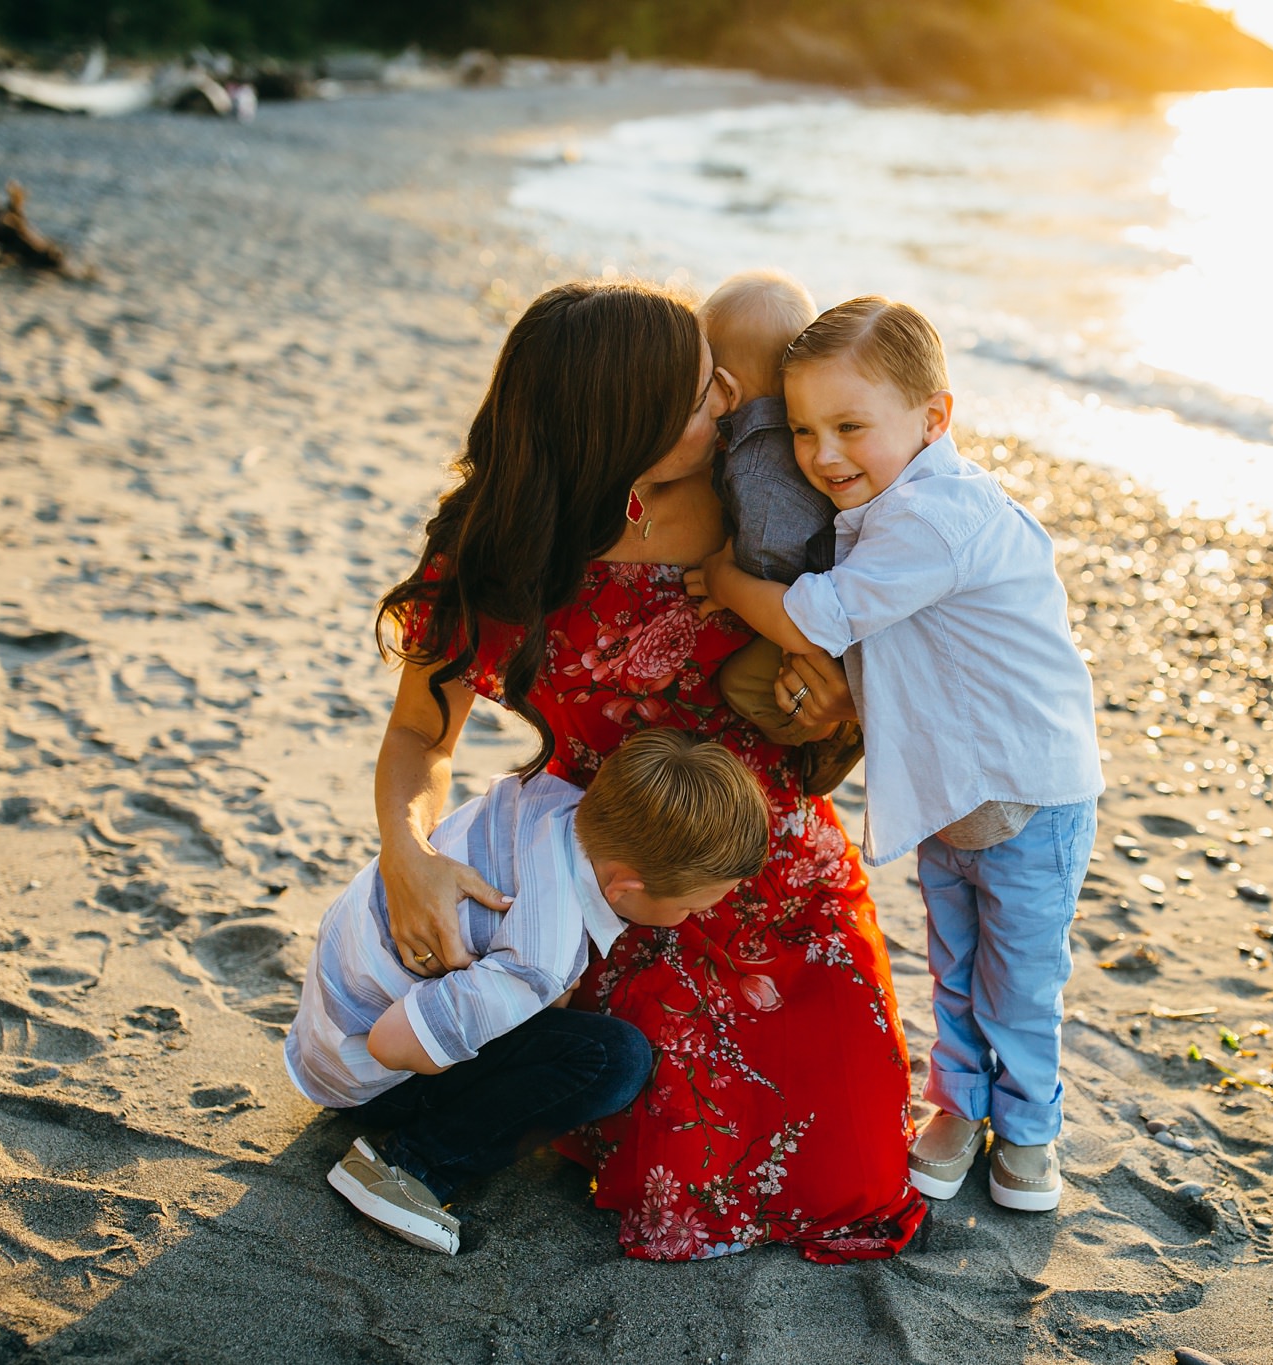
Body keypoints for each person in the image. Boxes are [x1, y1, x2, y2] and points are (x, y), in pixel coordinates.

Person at [370, 278, 927, 1261]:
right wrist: (405, 852)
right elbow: (419, 737)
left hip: (772, 854)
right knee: (646, 1128)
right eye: (701, 391)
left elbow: (908, 641)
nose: (732, 406)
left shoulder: (763, 504)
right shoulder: (499, 548)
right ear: (620, 427)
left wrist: (835, 705)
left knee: (854, 1180)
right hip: (609, 881)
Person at [687, 296, 1104, 1213]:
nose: (822, 454)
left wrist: (723, 579)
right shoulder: (882, 505)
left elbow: (816, 615)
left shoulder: (937, 515)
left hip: (1030, 792)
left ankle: (1031, 1129)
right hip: (948, 789)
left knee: (1023, 976)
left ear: (934, 418)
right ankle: (960, 1108)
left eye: (848, 427)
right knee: (954, 964)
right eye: (800, 430)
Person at [287, 729, 771, 1255]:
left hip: (325, 1019)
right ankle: (406, 1166)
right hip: (363, 1073)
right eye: (692, 908)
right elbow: (392, 1044)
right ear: (626, 889)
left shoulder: (544, 797)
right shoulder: (542, 955)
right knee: (614, 1060)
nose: (690, 920)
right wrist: (501, 1013)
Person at [698, 271, 862, 795]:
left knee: (743, 685)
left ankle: (820, 740)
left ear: (725, 388)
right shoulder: (818, 429)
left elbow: (769, 557)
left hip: (802, 605)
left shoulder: (753, 467)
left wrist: (730, 584)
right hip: (839, 586)